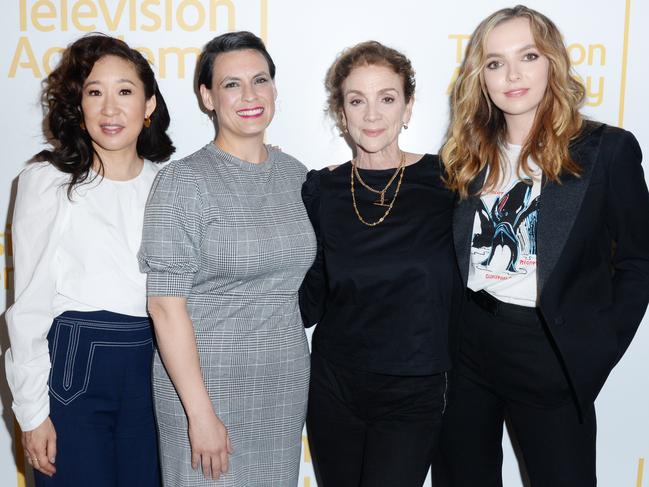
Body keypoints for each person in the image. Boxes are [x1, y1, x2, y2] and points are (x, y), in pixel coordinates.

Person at [439, 5, 649, 486]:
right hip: (467, 347)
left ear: (552, 62)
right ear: (481, 77)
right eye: (494, 63)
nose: (512, 74)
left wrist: (594, 350)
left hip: (546, 349)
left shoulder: (605, 150)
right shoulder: (466, 152)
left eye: (527, 56)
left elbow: (639, 261)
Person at [137, 31, 316, 486]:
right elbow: (164, 305)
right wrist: (200, 415)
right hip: (204, 386)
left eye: (260, 80)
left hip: (283, 382)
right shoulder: (183, 182)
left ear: (275, 89)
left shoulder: (297, 175)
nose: (250, 95)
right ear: (207, 97)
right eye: (231, 84)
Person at [5, 34, 174, 486]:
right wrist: (32, 412)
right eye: (94, 92)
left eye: (125, 91)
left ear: (149, 105)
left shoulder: (172, 185)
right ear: (78, 106)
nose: (109, 108)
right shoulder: (46, 181)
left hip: (157, 369)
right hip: (74, 370)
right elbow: (29, 306)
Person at [299, 41, 459, 487]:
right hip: (334, 386)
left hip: (415, 389)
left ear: (407, 108)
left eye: (387, 98)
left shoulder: (447, 183)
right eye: (357, 100)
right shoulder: (321, 190)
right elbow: (308, 297)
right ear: (341, 113)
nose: (372, 114)